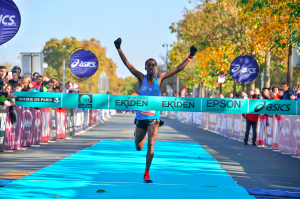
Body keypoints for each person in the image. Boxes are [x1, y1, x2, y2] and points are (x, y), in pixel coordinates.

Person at [114, 37, 197, 183]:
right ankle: (138, 134)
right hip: (141, 117)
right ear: (146, 67)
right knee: (138, 148)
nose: (151, 67)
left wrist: (190, 56)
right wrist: (119, 48)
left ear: (156, 68)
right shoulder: (141, 77)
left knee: (151, 143)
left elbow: (178, 68)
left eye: (153, 65)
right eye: (149, 65)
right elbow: (128, 65)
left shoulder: (160, 78)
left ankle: (146, 174)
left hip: (154, 118)